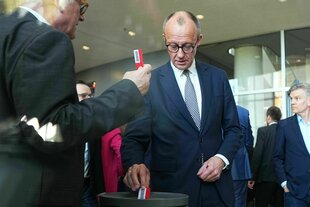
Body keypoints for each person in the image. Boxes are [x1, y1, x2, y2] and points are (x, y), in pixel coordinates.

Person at [0, 0, 152, 206]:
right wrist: (128, 91)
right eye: (82, 6)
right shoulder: (46, 38)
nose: (82, 16)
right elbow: (51, 128)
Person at [121, 11, 241, 207]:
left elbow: (234, 130)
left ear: (198, 40)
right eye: (173, 46)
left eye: (187, 46)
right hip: (170, 193)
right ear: (165, 40)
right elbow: (134, 138)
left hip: (217, 193)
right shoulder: (150, 84)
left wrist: (221, 159)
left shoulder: (218, 78)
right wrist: (134, 165)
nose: (180, 54)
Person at [273, 82, 310, 207]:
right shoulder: (284, 125)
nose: (292, 102)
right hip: (294, 192)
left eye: (297, 98)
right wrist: (284, 184)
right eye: (291, 98)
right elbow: (277, 157)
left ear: (309, 101)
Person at [248, 106, 283, 207]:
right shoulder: (285, 130)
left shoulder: (263, 131)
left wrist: (252, 177)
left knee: (261, 204)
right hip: (282, 178)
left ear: (268, 117)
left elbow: (257, 155)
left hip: (265, 177)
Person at [76, 80, 103, 207]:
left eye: (89, 95)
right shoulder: (63, 127)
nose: (88, 99)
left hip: (88, 186)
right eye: (82, 95)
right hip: (67, 187)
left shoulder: (94, 127)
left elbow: (96, 160)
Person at [231, 105, 254, 207]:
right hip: (239, 166)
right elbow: (249, 142)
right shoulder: (243, 112)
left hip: (215, 167)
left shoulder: (211, 109)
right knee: (239, 201)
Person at [101, 125, 125, 193]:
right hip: (113, 178)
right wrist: (122, 172)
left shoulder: (101, 133)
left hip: (102, 175)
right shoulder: (114, 134)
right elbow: (120, 153)